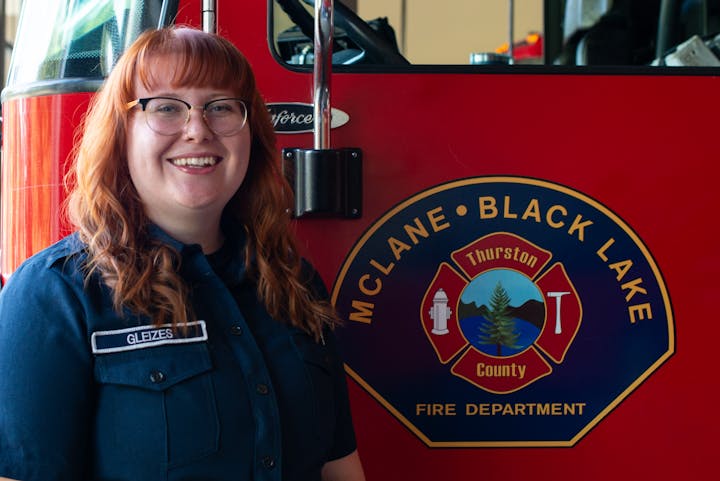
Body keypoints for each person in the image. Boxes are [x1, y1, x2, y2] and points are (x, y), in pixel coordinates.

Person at [0, 26, 365, 481]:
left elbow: (339, 468)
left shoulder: (294, 284)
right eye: (167, 108)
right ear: (121, 133)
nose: (198, 131)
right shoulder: (55, 296)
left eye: (221, 108)